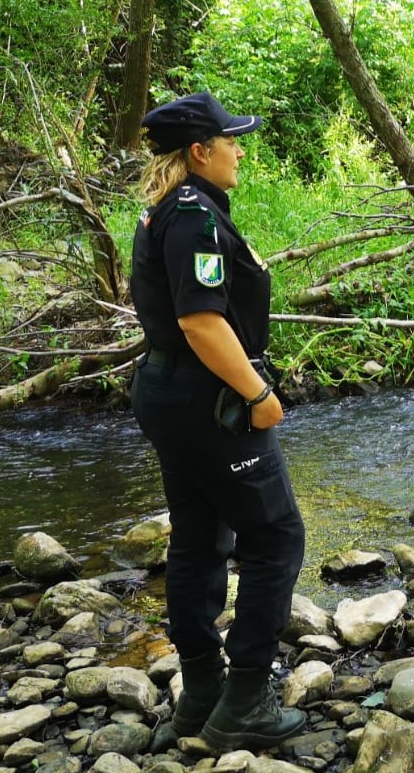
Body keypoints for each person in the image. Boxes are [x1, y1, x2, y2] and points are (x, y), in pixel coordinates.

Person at [128, 92, 306, 751]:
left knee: (199, 538)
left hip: (169, 394)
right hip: (208, 400)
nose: (240, 150)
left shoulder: (164, 213)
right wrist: (257, 393)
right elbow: (201, 321)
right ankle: (245, 703)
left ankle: (201, 692)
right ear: (200, 151)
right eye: (231, 140)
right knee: (277, 537)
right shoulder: (194, 218)